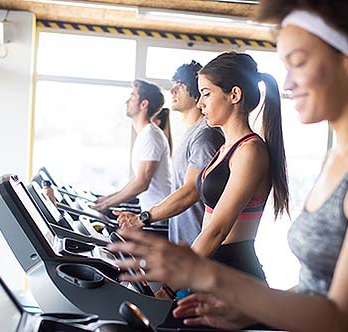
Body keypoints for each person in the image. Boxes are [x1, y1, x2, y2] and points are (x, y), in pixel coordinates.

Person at [109, 0, 348, 331]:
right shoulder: (340, 157)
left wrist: (200, 272)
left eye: (298, 63)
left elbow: (342, 318)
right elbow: (320, 287)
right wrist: (249, 311)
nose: (289, 85)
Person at [119, 52, 290, 296]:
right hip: (212, 266)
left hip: (234, 273)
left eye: (207, 94)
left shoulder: (250, 151)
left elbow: (217, 230)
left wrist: (171, 286)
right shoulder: (224, 149)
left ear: (234, 95)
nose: (200, 103)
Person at [116, 61, 224, 247]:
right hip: (182, 241)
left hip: (197, 246)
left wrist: (143, 218)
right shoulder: (191, 134)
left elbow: (191, 191)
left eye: (180, 85)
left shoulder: (205, 136)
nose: (172, 90)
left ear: (197, 90)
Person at [91, 80, 171, 212]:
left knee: (118, 231)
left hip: (160, 215)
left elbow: (142, 183)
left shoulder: (151, 135)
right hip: (151, 210)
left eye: (133, 97)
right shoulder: (145, 134)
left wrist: (106, 205)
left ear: (144, 104)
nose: (127, 101)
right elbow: (137, 179)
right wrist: (107, 199)